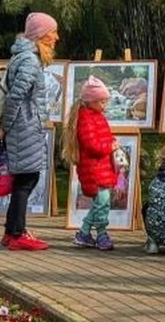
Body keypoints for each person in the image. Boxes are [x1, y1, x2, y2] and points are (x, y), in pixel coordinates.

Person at [0, 11, 59, 251]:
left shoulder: (25, 58)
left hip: (24, 126)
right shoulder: (30, 62)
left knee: (24, 178)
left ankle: (11, 230)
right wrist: (6, 126)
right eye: (53, 32)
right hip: (24, 127)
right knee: (27, 178)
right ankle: (16, 233)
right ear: (42, 35)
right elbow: (15, 97)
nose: (56, 37)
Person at [62, 76, 118, 251]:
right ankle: (95, 233)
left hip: (101, 166)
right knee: (102, 201)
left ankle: (87, 233)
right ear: (91, 101)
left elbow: (103, 137)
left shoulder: (97, 116)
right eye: (102, 102)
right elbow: (92, 145)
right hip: (93, 168)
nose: (105, 105)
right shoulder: (86, 119)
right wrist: (110, 146)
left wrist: (111, 143)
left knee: (101, 202)